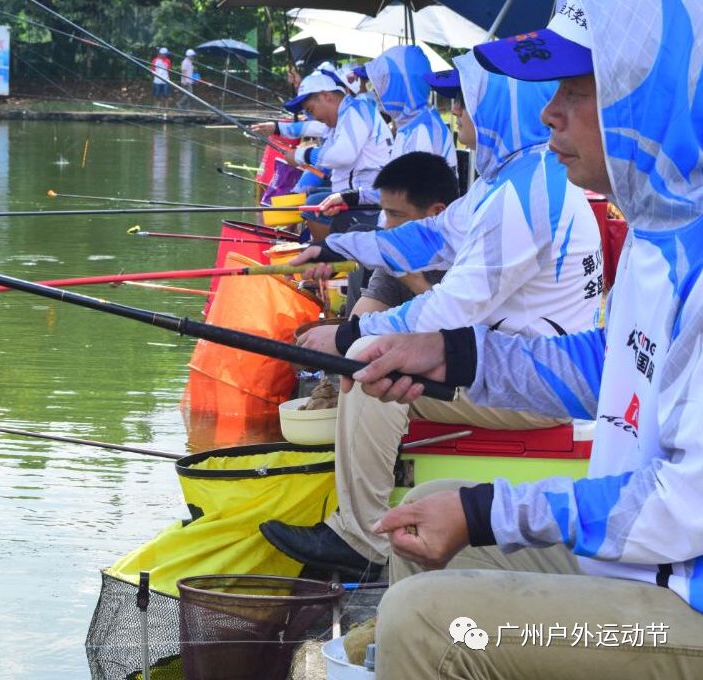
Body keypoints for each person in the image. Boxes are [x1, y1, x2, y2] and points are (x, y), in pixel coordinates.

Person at [345, 1, 703, 677]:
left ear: (645, 98)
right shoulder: (663, 228)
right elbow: (609, 366)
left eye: (575, 91)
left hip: (688, 596)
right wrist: (451, 356)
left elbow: (685, 504)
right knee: (415, 536)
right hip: (649, 561)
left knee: (425, 622)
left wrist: (484, 512)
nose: (548, 115)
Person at [260, 49, 605, 583]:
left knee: (366, 362)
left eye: (465, 108)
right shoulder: (513, 177)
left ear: (496, 110)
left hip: (535, 385)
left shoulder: (524, 193)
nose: (459, 121)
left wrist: (353, 331)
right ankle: (361, 513)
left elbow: (452, 306)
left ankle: (360, 536)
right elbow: (430, 237)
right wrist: (336, 249)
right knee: (371, 352)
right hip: (510, 359)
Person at [252, 70, 393, 240]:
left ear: (327, 96)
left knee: (314, 206)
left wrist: (302, 155)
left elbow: (341, 156)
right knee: (315, 199)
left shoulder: (355, 112)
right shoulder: (344, 115)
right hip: (358, 194)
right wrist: (277, 128)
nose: (313, 117)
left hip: (371, 200)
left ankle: (330, 256)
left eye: (311, 110)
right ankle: (323, 250)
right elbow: (308, 127)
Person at [339, 152, 458, 319]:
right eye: (386, 214)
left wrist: (416, 283)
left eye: (396, 215)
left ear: (437, 214)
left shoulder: (473, 260)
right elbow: (356, 324)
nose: (386, 227)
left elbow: (463, 333)